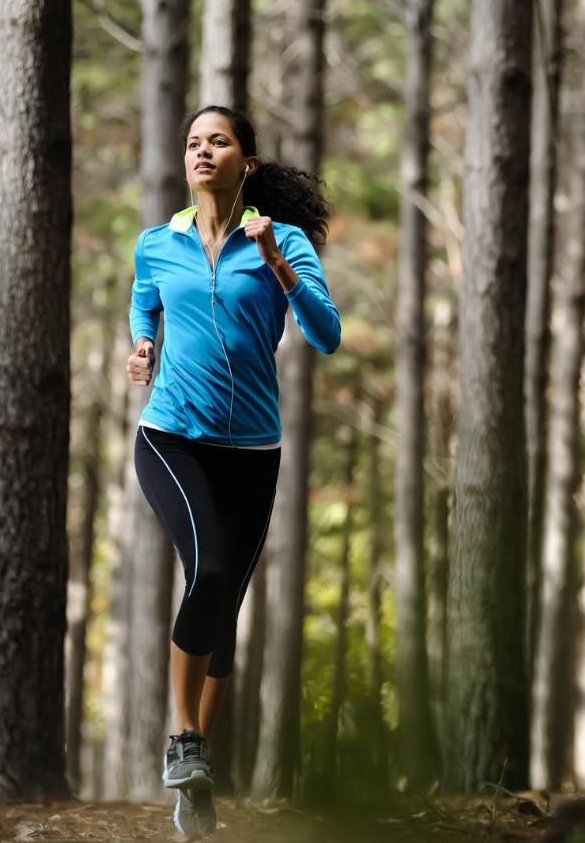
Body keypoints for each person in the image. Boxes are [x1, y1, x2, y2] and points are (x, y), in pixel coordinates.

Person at [126, 105, 340, 836]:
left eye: (217, 141)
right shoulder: (160, 242)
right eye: (193, 142)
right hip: (171, 437)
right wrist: (142, 346)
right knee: (208, 574)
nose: (202, 151)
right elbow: (143, 301)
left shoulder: (285, 243)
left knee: (226, 616)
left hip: (253, 450)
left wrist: (279, 260)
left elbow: (327, 333)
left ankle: (197, 772)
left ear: (246, 161)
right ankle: (183, 738)